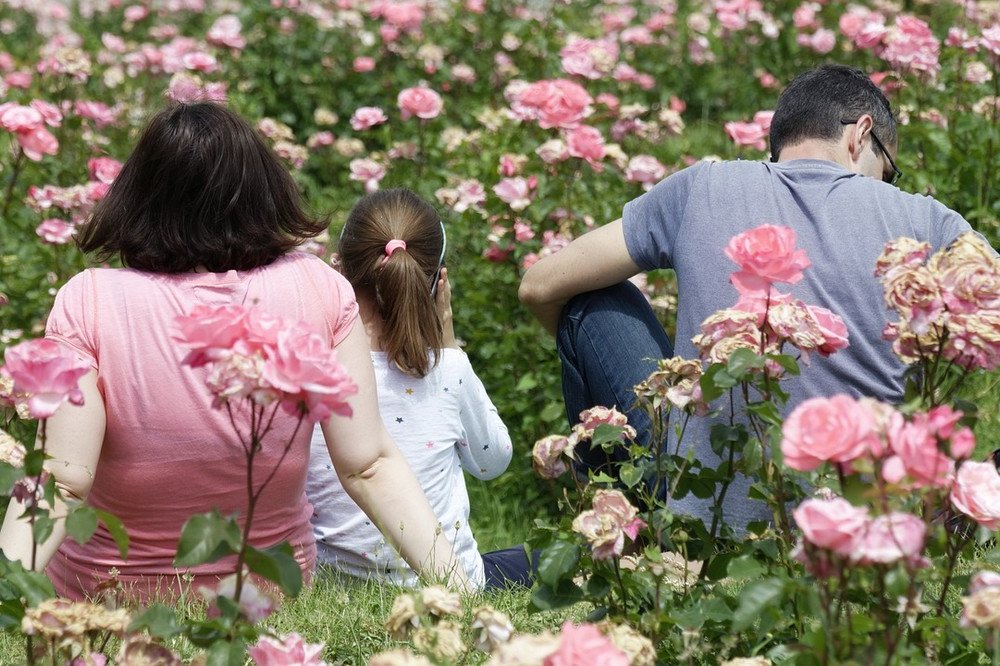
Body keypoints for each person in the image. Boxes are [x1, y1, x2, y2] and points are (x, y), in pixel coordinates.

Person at [0, 103, 469, 600]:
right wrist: (457, 584)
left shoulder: (89, 299)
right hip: (268, 598)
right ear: (264, 191)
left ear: (138, 196)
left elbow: (63, 482)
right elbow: (369, 464)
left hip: (106, 598)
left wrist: (8, 592)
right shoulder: (320, 288)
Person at [518, 64, 987, 531]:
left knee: (589, 304)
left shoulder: (703, 187)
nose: (885, 186)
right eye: (888, 172)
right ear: (861, 135)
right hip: (859, 516)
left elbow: (539, 286)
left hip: (698, 499)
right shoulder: (929, 222)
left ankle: (621, 520)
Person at [306, 188, 531, 589]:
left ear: (338, 270)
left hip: (334, 583)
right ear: (437, 282)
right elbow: (491, 462)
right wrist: (448, 344)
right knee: (544, 556)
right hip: (448, 581)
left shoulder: (307, 373)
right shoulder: (447, 371)